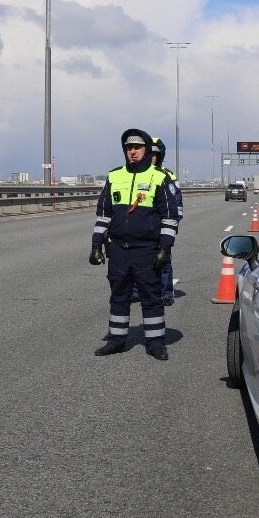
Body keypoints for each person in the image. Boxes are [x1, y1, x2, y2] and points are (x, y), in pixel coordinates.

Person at [89, 128, 181, 361]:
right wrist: (96, 244)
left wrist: (165, 248)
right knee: (118, 295)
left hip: (146, 249)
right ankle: (117, 340)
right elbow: (103, 214)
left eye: (137, 148)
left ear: (147, 150)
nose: (133, 152)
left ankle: (156, 343)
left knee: (151, 296)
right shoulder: (114, 176)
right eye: (129, 148)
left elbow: (170, 217)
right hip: (118, 248)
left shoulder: (159, 178)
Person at [150, 137, 183, 305]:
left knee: (163, 261)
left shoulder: (167, 176)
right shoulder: (135, 175)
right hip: (142, 229)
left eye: (154, 154)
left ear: (160, 155)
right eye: (149, 153)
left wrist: (171, 228)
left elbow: (177, 204)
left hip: (161, 228)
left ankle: (165, 294)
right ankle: (136, 293)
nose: (151, 157)